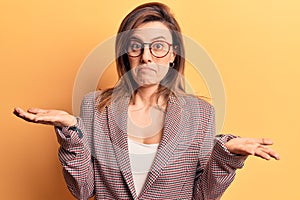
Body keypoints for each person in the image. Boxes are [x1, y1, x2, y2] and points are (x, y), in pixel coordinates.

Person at [14, 2, 279, 200]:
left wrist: (227, 155)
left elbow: (203, 197)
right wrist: (72, 133)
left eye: (159, 46)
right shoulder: (94, 107)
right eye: (136, 46)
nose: (147, 57)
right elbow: (83, 191)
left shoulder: (200, 114)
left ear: (173, 54)